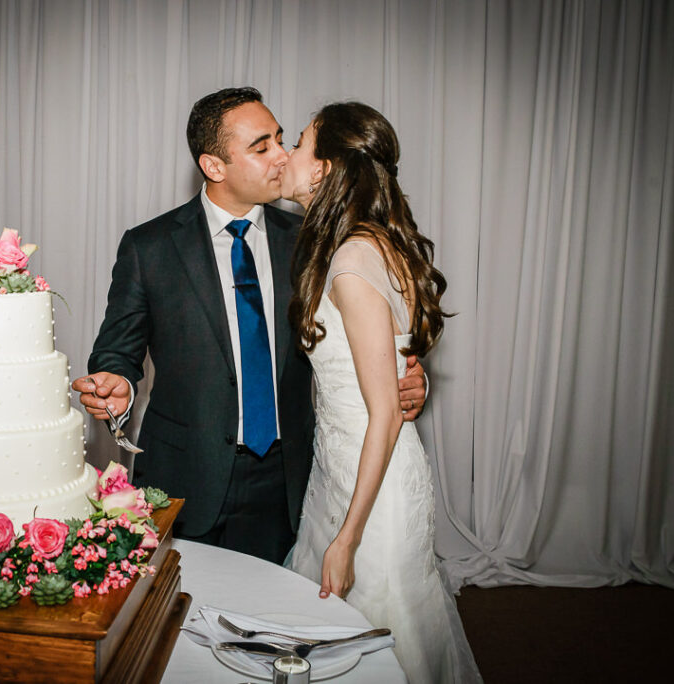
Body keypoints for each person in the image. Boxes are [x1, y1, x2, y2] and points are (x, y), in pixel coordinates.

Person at [73, 88, 427, 564]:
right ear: (215, 166)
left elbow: (363, 333)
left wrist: (408, 372)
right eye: (262, 148)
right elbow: (117, 349)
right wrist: (114, 380)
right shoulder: (149, 247)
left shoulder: (311, 242)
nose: (282, 156)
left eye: (282, 140)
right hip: (185, 474)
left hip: (288, 480)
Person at [281, 102, 481, 682]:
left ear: (325, 167)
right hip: (341, 469)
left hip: (370, 486)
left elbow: (385, 413)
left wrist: (347, 538)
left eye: (298, 141)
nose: (289, 154)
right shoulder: (370, 244)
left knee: (379, 631)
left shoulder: (350, 259)